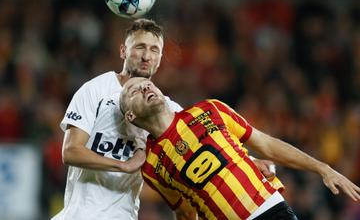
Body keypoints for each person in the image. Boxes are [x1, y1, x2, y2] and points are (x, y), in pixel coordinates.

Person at [52, 18, 275, 220]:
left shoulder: (165, 108)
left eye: (154, 50)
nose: (146, 56)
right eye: (139, 47)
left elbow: (208, 146)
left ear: (160, 58)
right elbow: (71, 151)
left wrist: (253, 162)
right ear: (123, 51)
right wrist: (123, 165)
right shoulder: (96, 89)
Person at [120, 77, 360, 220]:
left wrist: (321, 167)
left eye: (148, 83)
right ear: (130, 115)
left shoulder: (209, 110)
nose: (145, 89)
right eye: (134, 91)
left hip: (269, 210)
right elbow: (184, 212)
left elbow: (266, 145)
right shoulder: (150, 166)